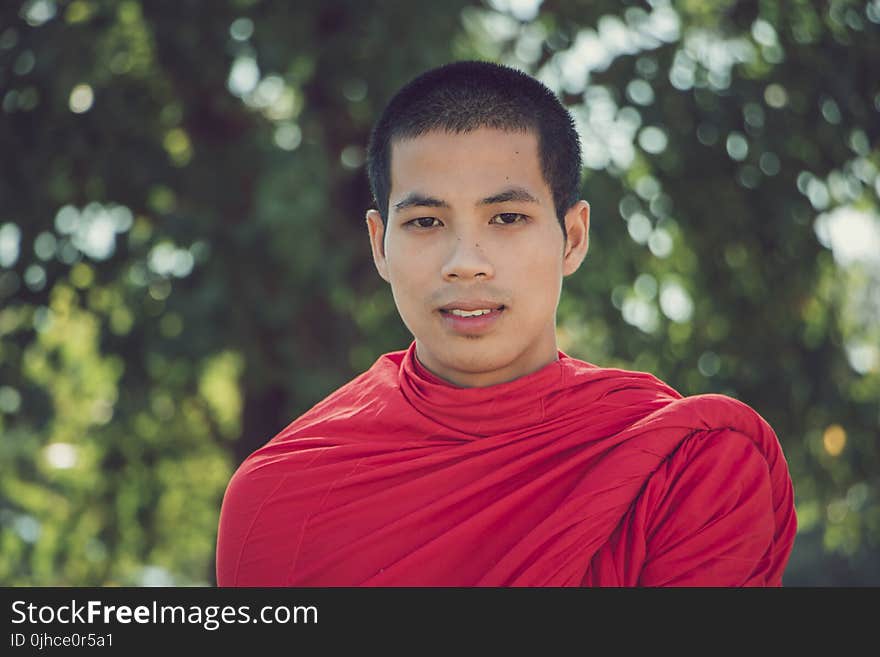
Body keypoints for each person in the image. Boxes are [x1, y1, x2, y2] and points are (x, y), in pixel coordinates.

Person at [215, 60, 797, 586]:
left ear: (572, 238)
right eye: (424, 222)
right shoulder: (281, 500)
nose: (465, 262)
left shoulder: (685, 470)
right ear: (379, 244)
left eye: (508, 216)